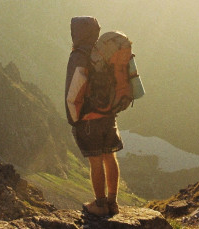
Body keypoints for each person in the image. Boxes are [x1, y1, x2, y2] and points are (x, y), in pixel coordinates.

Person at [65, 16, 122, 216]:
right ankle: (113, 202)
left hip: (89, 119)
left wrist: (74, 119)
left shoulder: (79, 56)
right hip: (109, 115)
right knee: (110, 156)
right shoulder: (104, 53)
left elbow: (74, 91)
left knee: (96, 161)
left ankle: (99, 204)